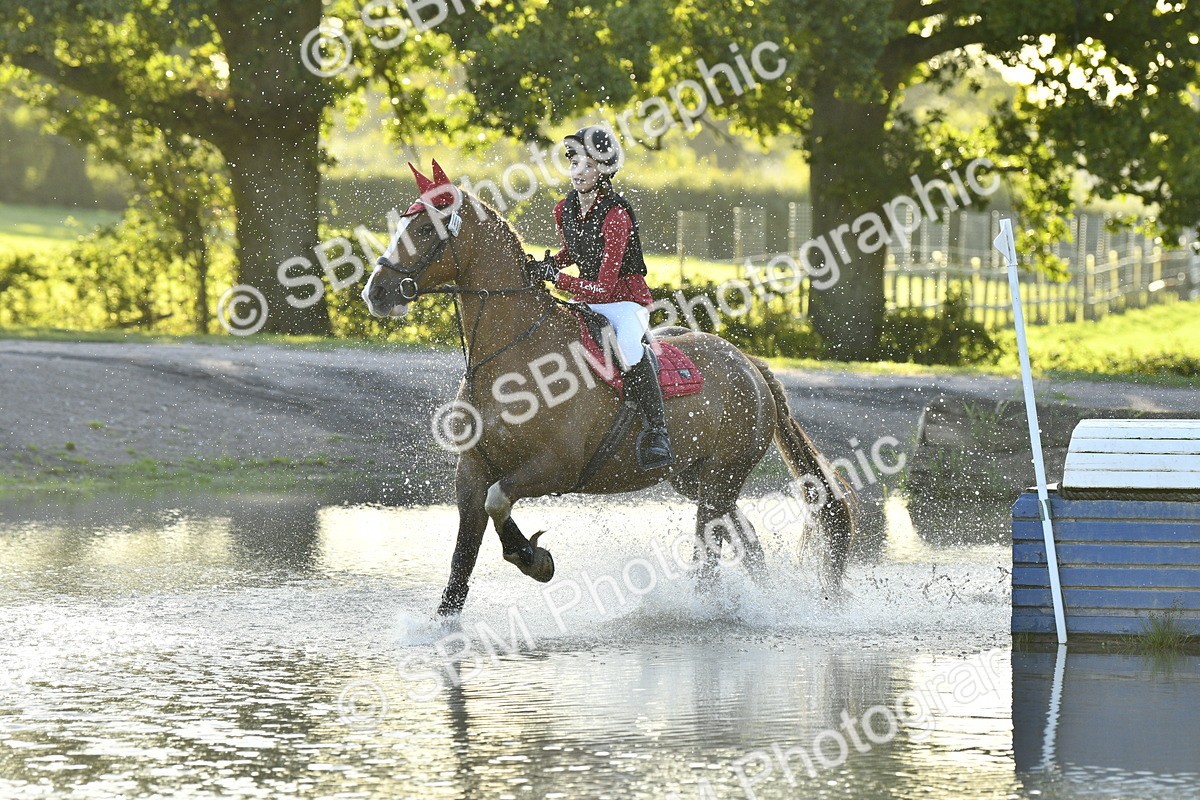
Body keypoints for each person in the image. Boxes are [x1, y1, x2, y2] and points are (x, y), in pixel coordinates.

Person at [527, 126, 674, 470]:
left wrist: (558, 278)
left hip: (625, 302)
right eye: (575, 162)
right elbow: (576, 251)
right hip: (590, 296)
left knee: (629, 349)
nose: (578, 171)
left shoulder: (616, 215)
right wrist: (548, 264)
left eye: (588, 165)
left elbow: (607, 287)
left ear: (604, 171)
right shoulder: (564, 209)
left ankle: (658, 432)